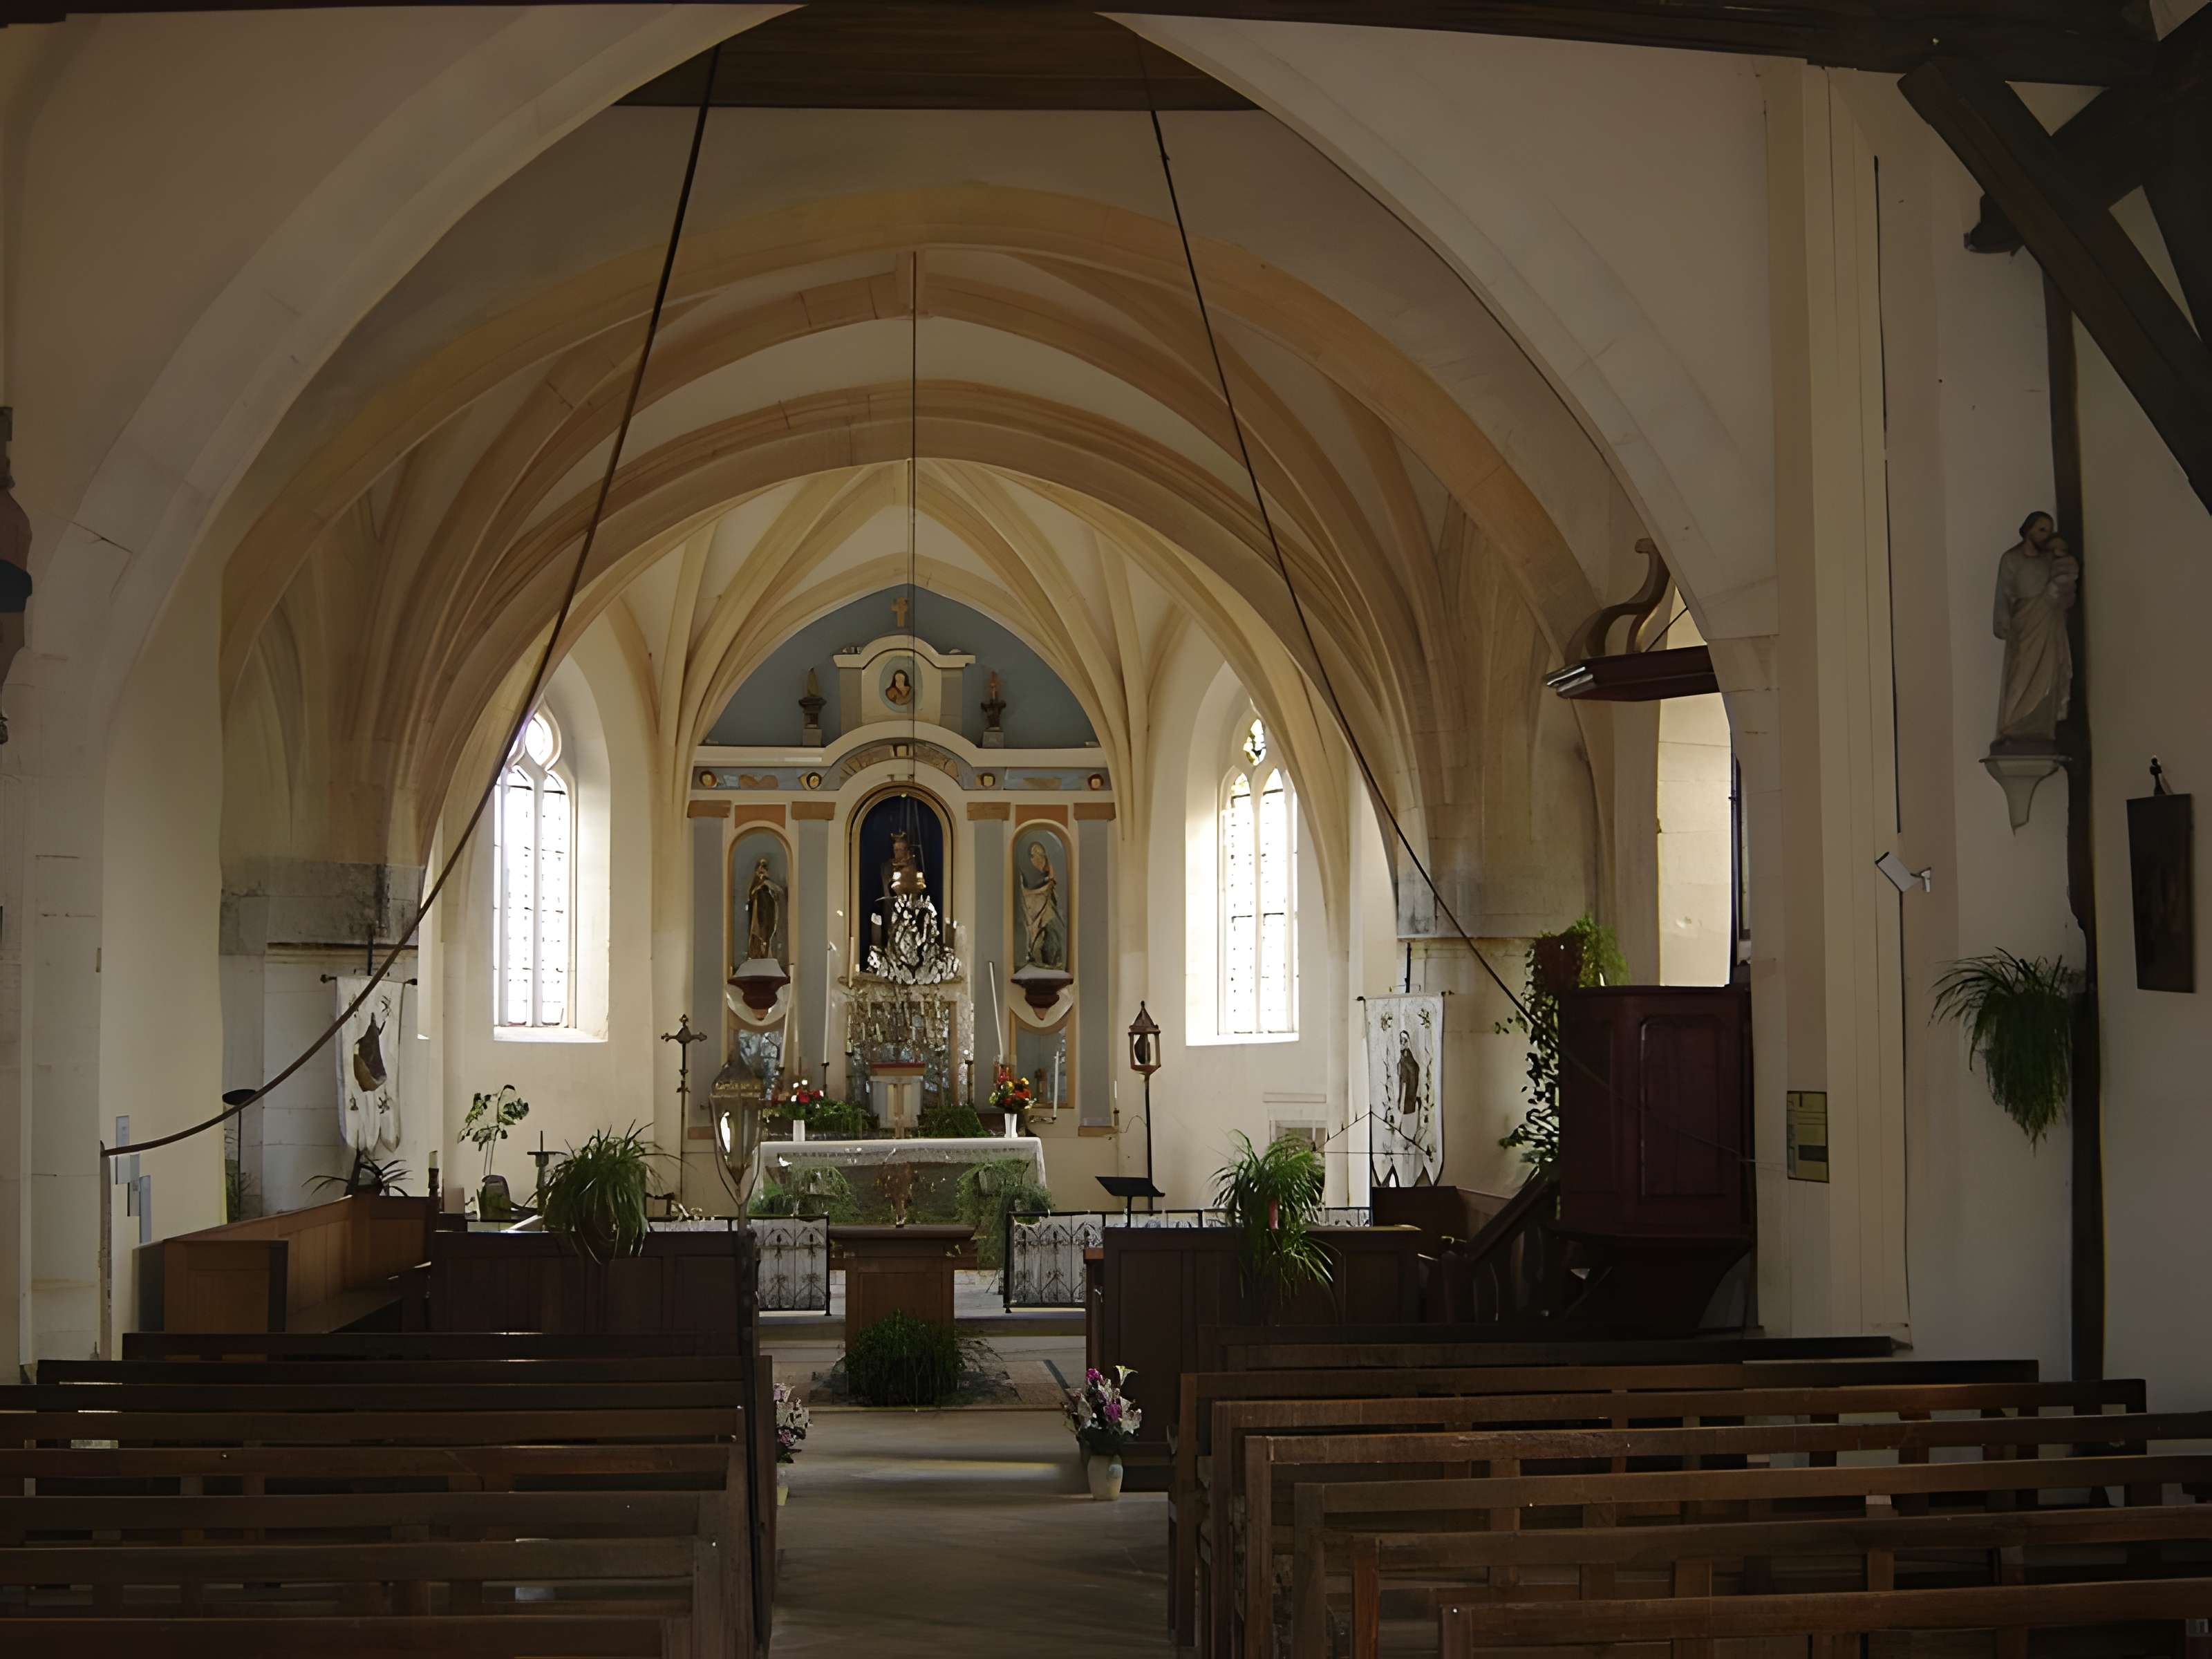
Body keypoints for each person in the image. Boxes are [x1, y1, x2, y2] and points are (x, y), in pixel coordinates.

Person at [1991, 511, 2079, 749]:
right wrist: (2002, 621)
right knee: (2020, 674)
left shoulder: (2048, 561)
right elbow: (2003, 594)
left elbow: (2066, 593)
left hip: (2048, 621)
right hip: (2024, 622)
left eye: (2048, 531)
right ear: (2028, 530)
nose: (2045, 535)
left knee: (2047, 672)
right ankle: (2012, 725)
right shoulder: (2011, 559)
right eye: (2041, 529)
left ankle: (2039, 728)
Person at [1018, 838, 1065, 969]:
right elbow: (1027, 891)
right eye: (1034, 855)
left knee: (1052, 931)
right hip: (1033, 906)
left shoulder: (1049, 873)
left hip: (1047, 907)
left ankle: (1050, 961)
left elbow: (1051, 881)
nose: (1038, 858)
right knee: (1033, 936)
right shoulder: (1027, 877)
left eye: (1041, 854)